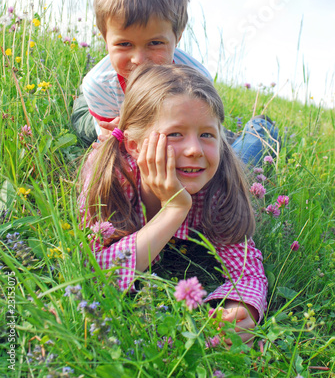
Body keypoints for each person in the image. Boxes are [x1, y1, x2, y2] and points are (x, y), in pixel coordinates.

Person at [80, 64, 268, 345]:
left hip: (224, 157)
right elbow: (96, 277)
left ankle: (261, 127)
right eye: (175, 134)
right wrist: (174, 209)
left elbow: (247, 270)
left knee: (248, 151)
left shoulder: (215, 182)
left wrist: (242, 308)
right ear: (133, 146)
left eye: (206, 134)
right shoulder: (110, 175)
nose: (193, 149)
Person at [72, 0, 279, 166]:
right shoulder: (99, 85)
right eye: (124, 44)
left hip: (188, 138)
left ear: (177, 37)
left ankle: (260, 130)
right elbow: (112, 146)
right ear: (105, 38)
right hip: (153, 146)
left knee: (235, 169)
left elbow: (202, 142)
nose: (139, 59)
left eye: (154, 43)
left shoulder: (196, 78)